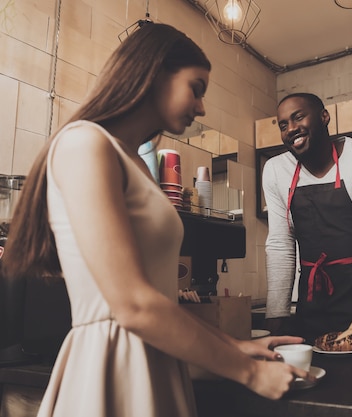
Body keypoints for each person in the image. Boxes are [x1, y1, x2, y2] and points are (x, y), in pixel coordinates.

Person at [1, 23, 310, 417]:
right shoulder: (84, 142)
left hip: (155, 357)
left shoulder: (135, 166)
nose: (201, 107)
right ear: (155, 72)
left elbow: (160, 299)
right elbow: (133, 305)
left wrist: (236, 346)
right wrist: (247, 372)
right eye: (196, 88)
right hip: (113, 363)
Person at [263, 92, 352, 344]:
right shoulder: (276, 170)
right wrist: (275, 316)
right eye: (283, 125)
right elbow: (281, 244)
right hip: (311, 305)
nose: (291, 128)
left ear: (324, 117)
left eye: (298, 117)